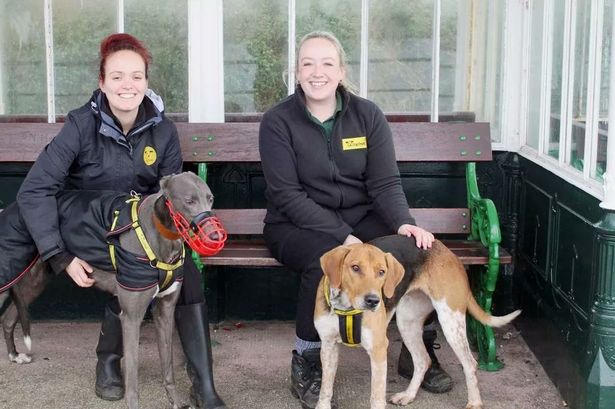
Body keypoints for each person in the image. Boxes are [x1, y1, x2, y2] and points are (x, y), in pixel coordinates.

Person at [16, 33, 225, 409]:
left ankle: (204, 385)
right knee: (131, 268)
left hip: (144, 230)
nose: (127, 85)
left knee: (182, 276)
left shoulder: (162, 129)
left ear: (146, 81)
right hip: (91, 229)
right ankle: (109, 362)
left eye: (136, 76)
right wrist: (58, 254)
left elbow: (174, 199)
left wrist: (179, 242)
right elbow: (34, 191)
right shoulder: (81, 125)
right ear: (102, 82)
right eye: (117, 76)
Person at [258, 31, 452, 409]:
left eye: (327, 63)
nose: (318, 72)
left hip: (360, 217)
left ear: (341, 71)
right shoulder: (277, 121)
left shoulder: (367, 115)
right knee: (323, 263)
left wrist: (402, 222)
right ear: (296, 73)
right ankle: (307, 360)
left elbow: (384, 182)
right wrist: (343, 238)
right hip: (293, 224)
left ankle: (417, 351)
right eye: (308, 64)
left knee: (410, 252)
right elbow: (287, 195)